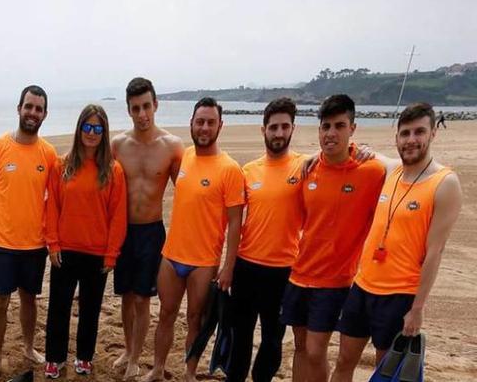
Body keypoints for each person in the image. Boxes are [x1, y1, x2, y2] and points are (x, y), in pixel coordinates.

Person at [331, 102, 463, 381]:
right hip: (363, 285)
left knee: (387, 369)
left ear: (432, 134)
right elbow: (359, 151)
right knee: (344, 360)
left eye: (419, 132)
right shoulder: (392, 170)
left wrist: (417, 310)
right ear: (397, 138)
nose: (411, 140)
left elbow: (435, 252)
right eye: (405, 133)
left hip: (400, 294)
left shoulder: (444, 183)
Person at [281, 94, 386, 382]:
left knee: (316, 351)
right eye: (326, 126)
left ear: (352, 128)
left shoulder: (372, 171)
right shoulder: (309, 169)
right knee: (300, 347)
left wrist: (368, 151)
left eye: (339, 126)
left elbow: (410, 169)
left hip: (335, 281)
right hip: (299, 274)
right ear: (318, 131)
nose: (331, 133)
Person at [145, 97, 246, 382]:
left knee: (195, 320)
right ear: (191, 123)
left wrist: (229, 267)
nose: (204, 128)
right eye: (199, 121)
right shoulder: (184, 157)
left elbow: (236, 223)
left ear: (220, 126)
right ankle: (157, 368)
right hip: (171, 255)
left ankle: (189, 372)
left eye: (210, 122)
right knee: (165, 314)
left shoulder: (229, 169)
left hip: (204, 261)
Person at [0, 85, 58, 380]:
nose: (32, 113)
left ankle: (28, 346)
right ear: (19, 108)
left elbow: (54, 197)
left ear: (45, 114)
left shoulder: (48, 154)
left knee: (29, 298)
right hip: (2, 242)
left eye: (38, 109)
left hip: (34, 244)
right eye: (28, 106)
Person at [43, 104, 128, 378]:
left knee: (90, 309)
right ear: (79, 129)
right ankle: (54, 358)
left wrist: (112, 254)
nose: (92, 133)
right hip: (65, 250)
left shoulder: (113, 170)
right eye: (87, 127)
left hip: (97, 253)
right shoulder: (61, 164)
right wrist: (53, 244)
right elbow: (52, 207)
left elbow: (118, 215)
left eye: (97, 128)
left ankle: (84, 357)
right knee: (59, 307)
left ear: (104, 133)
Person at [110, 77, 184, 379]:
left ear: (156, 105)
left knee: (142, 298)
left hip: (151, 231)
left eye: (146, 107)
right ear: (128, 110)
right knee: (126, 297)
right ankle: (129, 348)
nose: (142, 114)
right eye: (135, 108)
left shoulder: (172, 146)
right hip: (121, 231)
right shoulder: (117, 145)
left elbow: (187, 190)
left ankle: (135, 359)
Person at [227, 97, 305, 382]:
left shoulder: (304, 167)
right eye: (273, 127)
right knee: (240, 335)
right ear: (264, 130)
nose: (279, 133)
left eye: (285, 127)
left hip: (284, 269)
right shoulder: (248, 171)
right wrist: (228, 265)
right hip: (246, 266)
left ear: (293, 129)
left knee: (273, 339)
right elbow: (233, 220)